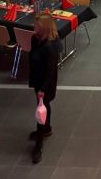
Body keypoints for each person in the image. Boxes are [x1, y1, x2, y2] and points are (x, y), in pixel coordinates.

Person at [28, 13, 62, 164]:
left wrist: (42, 89)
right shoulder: (35, 39)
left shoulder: (50, 46)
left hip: (45, 84)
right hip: (37, 79)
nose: (34, 27)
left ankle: (39, 144)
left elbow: (50, 70)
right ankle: (46, 128)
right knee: (44, 106)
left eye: (37, 26)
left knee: (41, 108)